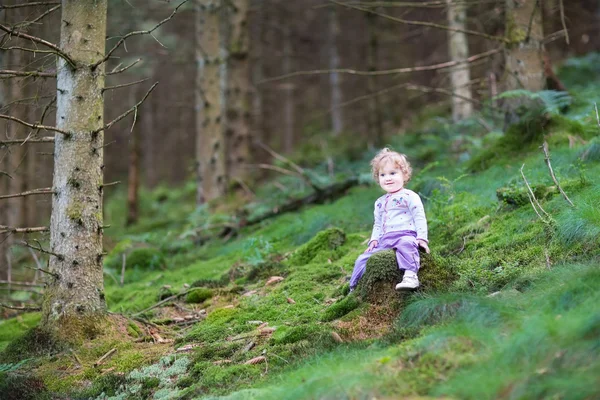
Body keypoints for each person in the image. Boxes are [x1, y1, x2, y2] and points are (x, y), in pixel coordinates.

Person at [349, 148, 430, 291]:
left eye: (393, 173)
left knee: (407, 245)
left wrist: (422, 238)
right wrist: (374, 240)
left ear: (404, 175)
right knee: (362, 259)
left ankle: (410, 276)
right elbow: (378, 223)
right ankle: (354, 287)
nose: (388, 178)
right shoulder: (379, 202)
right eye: (383, 174)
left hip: (405, 234)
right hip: (384, 240)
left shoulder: (409, 196)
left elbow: (419, 217)